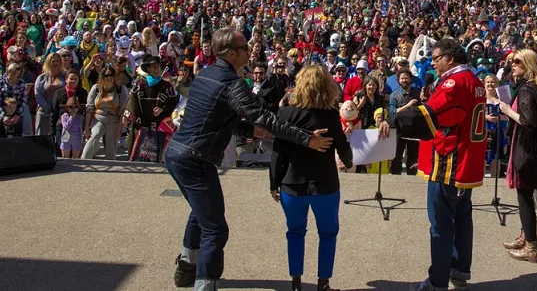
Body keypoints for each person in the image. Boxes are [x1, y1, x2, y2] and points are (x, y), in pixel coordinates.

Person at [164, 28, 332, 291]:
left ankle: (186, 269)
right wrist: (306, 138)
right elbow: (265, 118)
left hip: (177, 153)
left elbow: (218, 118)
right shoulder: (233, 84)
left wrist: (247, 130)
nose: (250, 52)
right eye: (244, 49)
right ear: (231, 53)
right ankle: (203, 285)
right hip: (195, 160)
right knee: (216, 230)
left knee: (202, 213)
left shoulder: (205, 74)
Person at [379, 37, 486, 291]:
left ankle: (437, 282)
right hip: (465, 162)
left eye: (436, 59)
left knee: (440, 224)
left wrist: (393, 120)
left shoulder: (455, 82)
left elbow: (431, 115)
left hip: (449, 162)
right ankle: (459, 271)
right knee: (462, 218)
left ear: (450, 58)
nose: (433, 64)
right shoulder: (475, 81)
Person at [270, 65, 353, 291]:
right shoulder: (330, 116)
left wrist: (273, 184)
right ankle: (323, 283)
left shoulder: (285, 113)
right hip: (324, 185)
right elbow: (343, 147)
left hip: (291, 185)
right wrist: (349, 161)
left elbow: (278, 152)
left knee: (295, 232)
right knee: (328, 234)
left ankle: (296, 283)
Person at [497, 49, 537, 263]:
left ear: (529, 65)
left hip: (529, 150)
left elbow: (528, 122)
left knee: (524, 195)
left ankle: (531, 247)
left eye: (518, 62)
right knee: (525, 195)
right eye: (512, 61)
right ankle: (526, 236)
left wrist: (507, 110)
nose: (512, 65)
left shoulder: (528, 90)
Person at [82, 66, 124, 160]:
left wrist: (120, 129)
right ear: (102, 77)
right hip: (98, 118)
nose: (109, 77)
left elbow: (123, 111)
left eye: (111, 75)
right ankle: (84, 160)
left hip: (114, 120)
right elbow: (89, 108)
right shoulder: (96, 88)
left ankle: (110, 169)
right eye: (106, 75)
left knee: (111, 148)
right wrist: (87, 127)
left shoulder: (120, 89)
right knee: (95, 136)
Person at [388, 69, 420, 176]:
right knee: (397, 156)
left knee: (413, 156)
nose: (404, 80)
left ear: (411, 79)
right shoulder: (394, 95)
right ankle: (396, 179)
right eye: (402, 78)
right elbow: (392, 112)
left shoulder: (417, 93)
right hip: (399, 130)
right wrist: (407, 106)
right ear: (398, 80)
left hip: (414, 129)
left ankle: (412, 178)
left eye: (406, 78)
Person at [34, 53, 65, 138]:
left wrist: (55, 110)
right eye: (53, 61)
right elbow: (38, 94)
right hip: (43, 112)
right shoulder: (41, 78)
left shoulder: (65, 77)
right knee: (41, 139)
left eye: (58, 61)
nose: (55, 63)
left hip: (58, 114)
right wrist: (47, 108)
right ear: (48, 62)